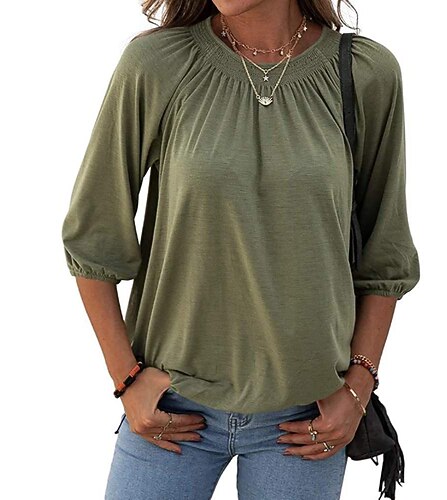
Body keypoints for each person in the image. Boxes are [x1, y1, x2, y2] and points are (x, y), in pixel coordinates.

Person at [61, 1, 420, 498]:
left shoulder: (366, 72)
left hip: (306, 421)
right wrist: (127, 381)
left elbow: (386, 249)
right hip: (171, 409)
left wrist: (359, 388)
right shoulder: (157, 64)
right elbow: (92, 239)